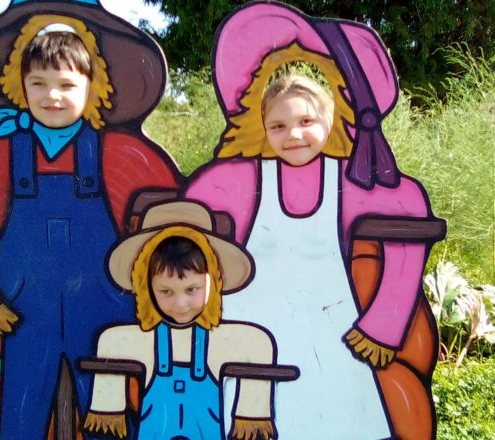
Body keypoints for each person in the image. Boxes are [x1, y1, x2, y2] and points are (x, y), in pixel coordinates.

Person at [185, 3, 444, 438]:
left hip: (333, 336)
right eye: (279, 125)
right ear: (259, 128)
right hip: (254, 331)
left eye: (307, 121)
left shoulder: (352, 181)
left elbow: (411, 212)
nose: (294, 135)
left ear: (332, 121)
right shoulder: (239, 178)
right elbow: (183, 218)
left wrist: (386, 318)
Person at [0, 5, 179, 439]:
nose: (53, 96)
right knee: (21, 412)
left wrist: (152, 294)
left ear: (92, 86)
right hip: (23, 312)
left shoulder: (123, 154)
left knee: (111, 409)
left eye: (67, 85)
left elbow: (164, 221)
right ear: (19, 86)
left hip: (105, 310)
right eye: (39, 84)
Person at [83, 201, 299, 440]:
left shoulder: (224, 341)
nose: (180, 304)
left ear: (213, 283)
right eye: (166, 291)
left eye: (192, 289)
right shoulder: (136, 341)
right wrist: (107, 404)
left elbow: (258, 342)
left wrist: (252, 412)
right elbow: (111, 342)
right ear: (146, 288)